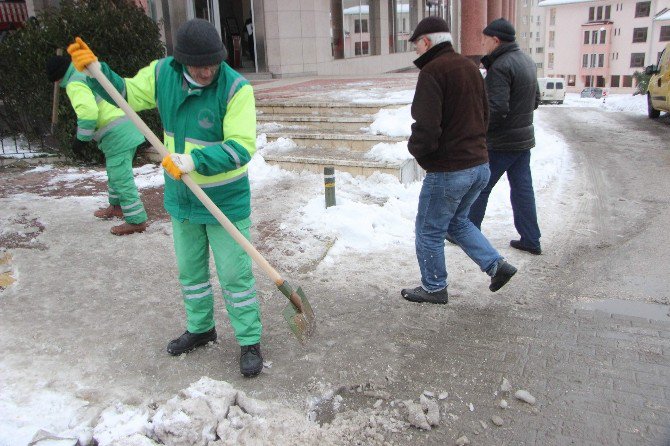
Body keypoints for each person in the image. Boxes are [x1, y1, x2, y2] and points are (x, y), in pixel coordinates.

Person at [67, 18, 264, 377]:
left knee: (235, 275)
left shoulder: (237, 89)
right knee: (190, 272)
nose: (206, 71)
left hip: (224, 199)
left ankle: (249, 340)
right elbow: (125, 93)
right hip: (183, 197)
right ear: (181, 61)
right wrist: (97, 72)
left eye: (212, 63)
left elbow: (241, 147)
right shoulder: (163, 75)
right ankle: (201, 328)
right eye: (198, 64)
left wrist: (195, 160)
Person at [400, 16, 517, 304]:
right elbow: (486, 115)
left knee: (429, 230)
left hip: (450, 170)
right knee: (457, 223)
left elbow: (426, 127)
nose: (416, 51)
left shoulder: (433, 71)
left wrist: (419, 153)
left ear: (426, 42)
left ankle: (434, 287)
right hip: (479, 165)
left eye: (416, 44)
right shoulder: (470, 67)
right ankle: (496, 266)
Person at [45, 54, 148, 236]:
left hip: (117, 132)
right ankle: (116, 206)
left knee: (121, 176)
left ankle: (136, 220)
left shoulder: (74, 83)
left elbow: (88, 113)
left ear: (58, 78)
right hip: (122, 127)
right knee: (114, 172)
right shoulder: (83, 73)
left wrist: (80, 140)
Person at [468, 18, 542, 255]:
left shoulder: (500, 66)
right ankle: (531, 239)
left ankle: (467, 232)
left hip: (502, 142)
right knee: (522, 189)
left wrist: (480, 131)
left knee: (480, 186)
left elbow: (496, 109)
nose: (483, 43)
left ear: (496, 40)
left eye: (485, 39)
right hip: (523, 140)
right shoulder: (527, 62)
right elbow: (536, 101)